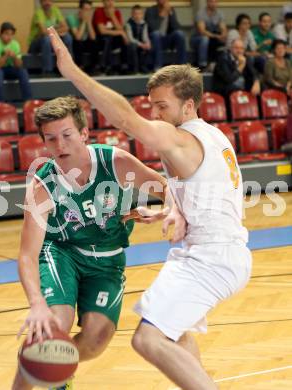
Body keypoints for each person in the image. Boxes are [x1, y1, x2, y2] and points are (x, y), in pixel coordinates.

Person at [47, 26, 252, 390]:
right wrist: (174, 209)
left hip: (211, 258)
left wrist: (72, 72)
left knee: (148, 339)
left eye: (162, 106)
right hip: (220, 252)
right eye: (152, 104)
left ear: (188, 106)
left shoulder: (182, 136)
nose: (154, 113)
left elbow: (126, 121)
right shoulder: (214, 136)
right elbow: (201, 189)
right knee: (176, 333)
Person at [11, 96, 180, 390]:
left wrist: (170, 210)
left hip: (108, 257)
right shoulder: (42, 186)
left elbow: (165, 187)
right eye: (51, 139)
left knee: (96, 339)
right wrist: (36, 303)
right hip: (62, 251)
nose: (60, 145)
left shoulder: (115, 162)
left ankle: (56, 364)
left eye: (67, 135)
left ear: (84, 134)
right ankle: (40, 365)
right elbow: (27, 255)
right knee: (52, 325)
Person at [0, 22, 32, 102]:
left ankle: (28, 102)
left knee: (23, 71)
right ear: (0, 34)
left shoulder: (15, 44)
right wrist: (6, 56)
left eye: (11, 34)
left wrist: (14, 57)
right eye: (6, 34)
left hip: (7, 69)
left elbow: (19, 65)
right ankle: (0, 104)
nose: (9, 37)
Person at [28, 0, 73, 75]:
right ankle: (48, 70)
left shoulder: (55, 10)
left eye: (49, 0)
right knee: (47, 39)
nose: (47, 3)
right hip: (35, 43)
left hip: (51, 39)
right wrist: (58, 30)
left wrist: (54, 31)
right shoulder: (38, 13)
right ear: (41, 3)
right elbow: (43, 32)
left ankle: (68, 67)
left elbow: (66, 27)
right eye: (45, 1)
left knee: (68, 37)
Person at [93, 0, 134, 74]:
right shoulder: (99, 11)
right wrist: (121, 33)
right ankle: (105, 66)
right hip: (101, 38)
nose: (110, 3)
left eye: (112, 0)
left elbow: (120, 28)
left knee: (122, 39)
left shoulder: (117, 12)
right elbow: (102, 31)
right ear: (103, 2)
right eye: (107, 1)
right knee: (108, 38)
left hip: (114, 37)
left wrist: (113, 16)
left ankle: (124, 65)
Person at [145, 0, 187, 70]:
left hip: (168, 39)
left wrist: (170, 13)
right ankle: (158, 66)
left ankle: (182, 66)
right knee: (156, 34)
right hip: (155, 40)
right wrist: (162, 14)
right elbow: (153, 28)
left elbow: (177, 27)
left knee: (180, 34)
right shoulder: (150, 10)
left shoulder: (171, 9)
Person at [190, 0, 227, 70]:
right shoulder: (201, 13)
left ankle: (219, 66)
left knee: (225, 40)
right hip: (197, 39)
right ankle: (202, 65)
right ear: (207, 2)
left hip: (212, 38)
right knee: (205, 39)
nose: (213, 4)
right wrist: (217, 36)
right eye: (211, 2)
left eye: (215, 2)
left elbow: (223, 27)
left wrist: (223, 35)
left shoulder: (219, 13)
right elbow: (202, 31)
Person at [67, 0, 100, 75]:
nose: (87, 12)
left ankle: (93, 67)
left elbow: (93, 37)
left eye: (89, 10)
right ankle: (79, 67)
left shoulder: (90, 19)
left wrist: (88, 22)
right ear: (80, 9)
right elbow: (78, 37)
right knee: (78, 43)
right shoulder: (71, 18)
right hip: (75, 44)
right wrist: (84, 21)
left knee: (95, 43)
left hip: (85, 42)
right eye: (86, 9)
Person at [125, 4, 152, 73]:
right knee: (133, 47)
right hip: (131, 43)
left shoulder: (144, 23)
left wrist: (147, 43)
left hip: (140, 43)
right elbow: (131, 38)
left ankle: (143, 66)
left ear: (142, 15)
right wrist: (141, 44)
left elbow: (145, 36)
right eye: (135, 14)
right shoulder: (129, 24)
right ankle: (135, 68)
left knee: (149, 47)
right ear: (132, 14)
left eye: (139, 14)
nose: (137, 16)